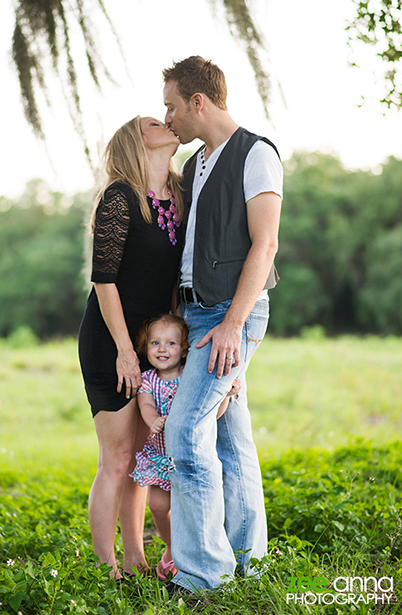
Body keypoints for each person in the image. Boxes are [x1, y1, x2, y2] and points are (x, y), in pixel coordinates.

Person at [161, 55, 282, 592]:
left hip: (230, 314)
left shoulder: (257, 154)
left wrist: (233, 324)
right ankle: (248, 561)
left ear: (199, 101)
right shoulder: (196, 164)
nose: (168, 119)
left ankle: (205, 575)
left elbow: (266, 242)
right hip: (196, 313)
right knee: (231, 438)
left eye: (172, 106)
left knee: (186, 431)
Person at [77, 115, 184, 579]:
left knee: (142, 460)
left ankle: (136, 557)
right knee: (117, 457)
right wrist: (125, 348)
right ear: (136, 142)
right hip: (112, 340)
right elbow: (104, 280)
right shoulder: (120, 197)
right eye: (154, 121)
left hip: (155, 344)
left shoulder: (179, 195)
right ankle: (107, 568)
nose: (167, 122)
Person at [129, 313, 240, 581]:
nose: (162, 349)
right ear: (146, 347)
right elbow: (145, 404)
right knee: (157, 505)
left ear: (184, 348)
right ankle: (172, 548)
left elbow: (212, 414)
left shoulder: (192, 378)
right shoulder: (148, 379)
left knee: (189, 506)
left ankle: (187, 555)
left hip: (188, 455)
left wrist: (224, 394)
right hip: (161, 457)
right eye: (155, 343)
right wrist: (153, 420)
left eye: (170, 343)